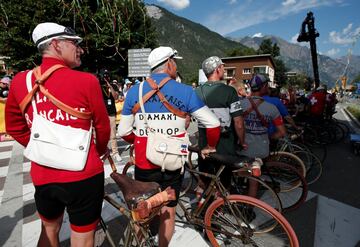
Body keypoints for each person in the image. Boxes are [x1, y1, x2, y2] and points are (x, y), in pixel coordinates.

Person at [5, 22, 110, 247]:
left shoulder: (20, 82)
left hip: (43, 173)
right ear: (56, 44)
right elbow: (102, 129)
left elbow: (14, 127)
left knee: (48, 229)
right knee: (82, 237)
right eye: (74, 43)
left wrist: (42, 146)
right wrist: (99, 151)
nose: (79, 49)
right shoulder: (87, 80)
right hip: (83, 173)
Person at [117, 46, 220, 247]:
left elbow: (124, 132)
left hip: (145, 162)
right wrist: (210, 146)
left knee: (142, 210)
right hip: (172, 161)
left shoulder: (134, 92)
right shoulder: (185, 91)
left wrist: (138, 141)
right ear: (170, 63)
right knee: (168, 211)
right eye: (176, 62)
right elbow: (213, 124)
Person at [195, 56, 246, 189]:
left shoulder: (196, 92)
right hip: (225, 146)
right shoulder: (229, 91)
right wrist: (242, 141)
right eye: (222, 67)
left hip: (204, 145)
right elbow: (238, 122)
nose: (224, 70)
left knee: (205, 181)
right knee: (224, 184)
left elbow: (187, 118)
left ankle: (206, 206)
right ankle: (219, 208)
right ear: (217, 69)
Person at [238, 74, 286, 159]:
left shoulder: (239, 104)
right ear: (264, 86)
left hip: (242, 151)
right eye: (267, 85)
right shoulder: (272, 108)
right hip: (262, 152)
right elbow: (282, 132)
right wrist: (266, 138)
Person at [99, 68, 122, 162]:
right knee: (100, 134)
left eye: (107, 75)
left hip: (111, 112)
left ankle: (115, 153)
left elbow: (116, 97)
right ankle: (102, 152)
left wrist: (110, 86)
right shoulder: (98, 85)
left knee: (113, 134)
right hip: (102, 113)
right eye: (104, 76)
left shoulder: (113, 85)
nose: (106, 77)